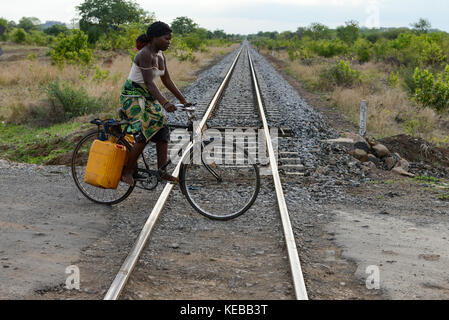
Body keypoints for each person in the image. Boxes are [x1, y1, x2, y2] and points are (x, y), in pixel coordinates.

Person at [119, 21, 191, 186]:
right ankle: (127, 172)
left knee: (162, 127)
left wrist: (183, 101)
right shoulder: (144, 54)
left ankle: (161, 171)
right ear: (154, 38)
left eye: (170, 39)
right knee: (146, 128)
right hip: (132, 95)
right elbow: (150, 84)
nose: (169, 41)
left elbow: (166, 80)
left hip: (146, 97)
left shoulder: (160, 55)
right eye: (166, 38)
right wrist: (165, 103)